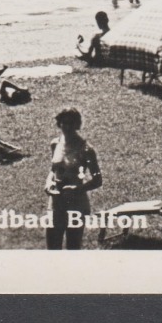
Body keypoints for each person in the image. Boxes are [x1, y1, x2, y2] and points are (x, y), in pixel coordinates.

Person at [44, 107, 102, 250]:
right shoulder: (55, 144)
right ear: (59, 123)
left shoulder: (86, 149)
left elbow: (97, 179)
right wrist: (48, 183)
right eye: (64, 123)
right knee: (52, 248)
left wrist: (78, 189)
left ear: (77, 125)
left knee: (73, 249)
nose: (68, 127)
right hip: (56, 202)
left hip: (76, 203)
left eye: (72, 123)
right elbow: (53, 169)